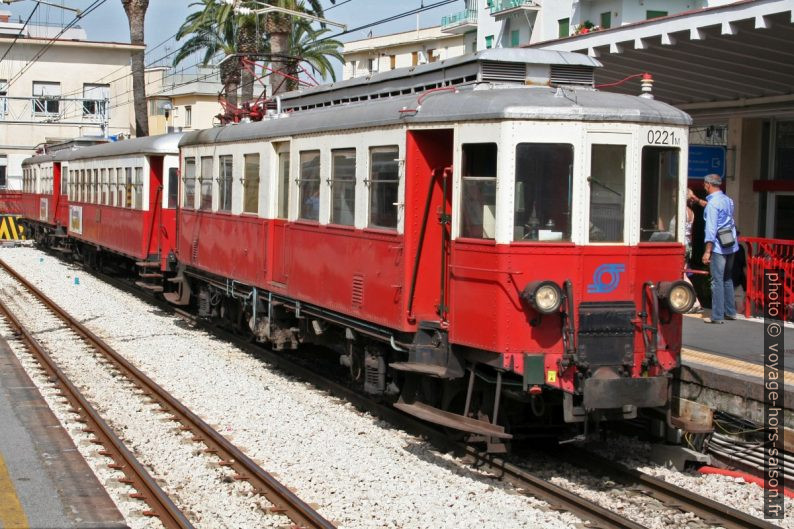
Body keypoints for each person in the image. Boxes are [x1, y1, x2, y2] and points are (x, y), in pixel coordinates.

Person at [700, 174, 739, 324]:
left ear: (708, 185)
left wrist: (707, 250)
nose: (704, 186)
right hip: (730, 244)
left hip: (718, 247)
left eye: (705, 184)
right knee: (727, 279)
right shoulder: (728, 200)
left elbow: (711, 229)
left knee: (716, 281)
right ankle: (731, 312)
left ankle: (717, 316)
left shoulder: (712, 205)